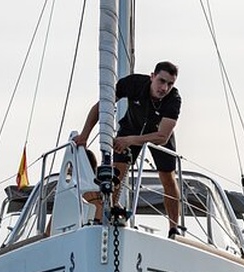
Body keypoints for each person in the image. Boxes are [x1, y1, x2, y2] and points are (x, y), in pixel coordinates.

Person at [74, 61, 182, 236]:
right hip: (132, 126)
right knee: (117, 171)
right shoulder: (133, 84)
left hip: (157, 134)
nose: (164, 88)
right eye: (161, 81)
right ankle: (109, 213)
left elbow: (162, 137)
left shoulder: (173, 100)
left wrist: (130, 140)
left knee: (168, 178)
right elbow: (102, 105)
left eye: (170, 84)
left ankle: (173, 228)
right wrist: (84, 136)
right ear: (152, 76)